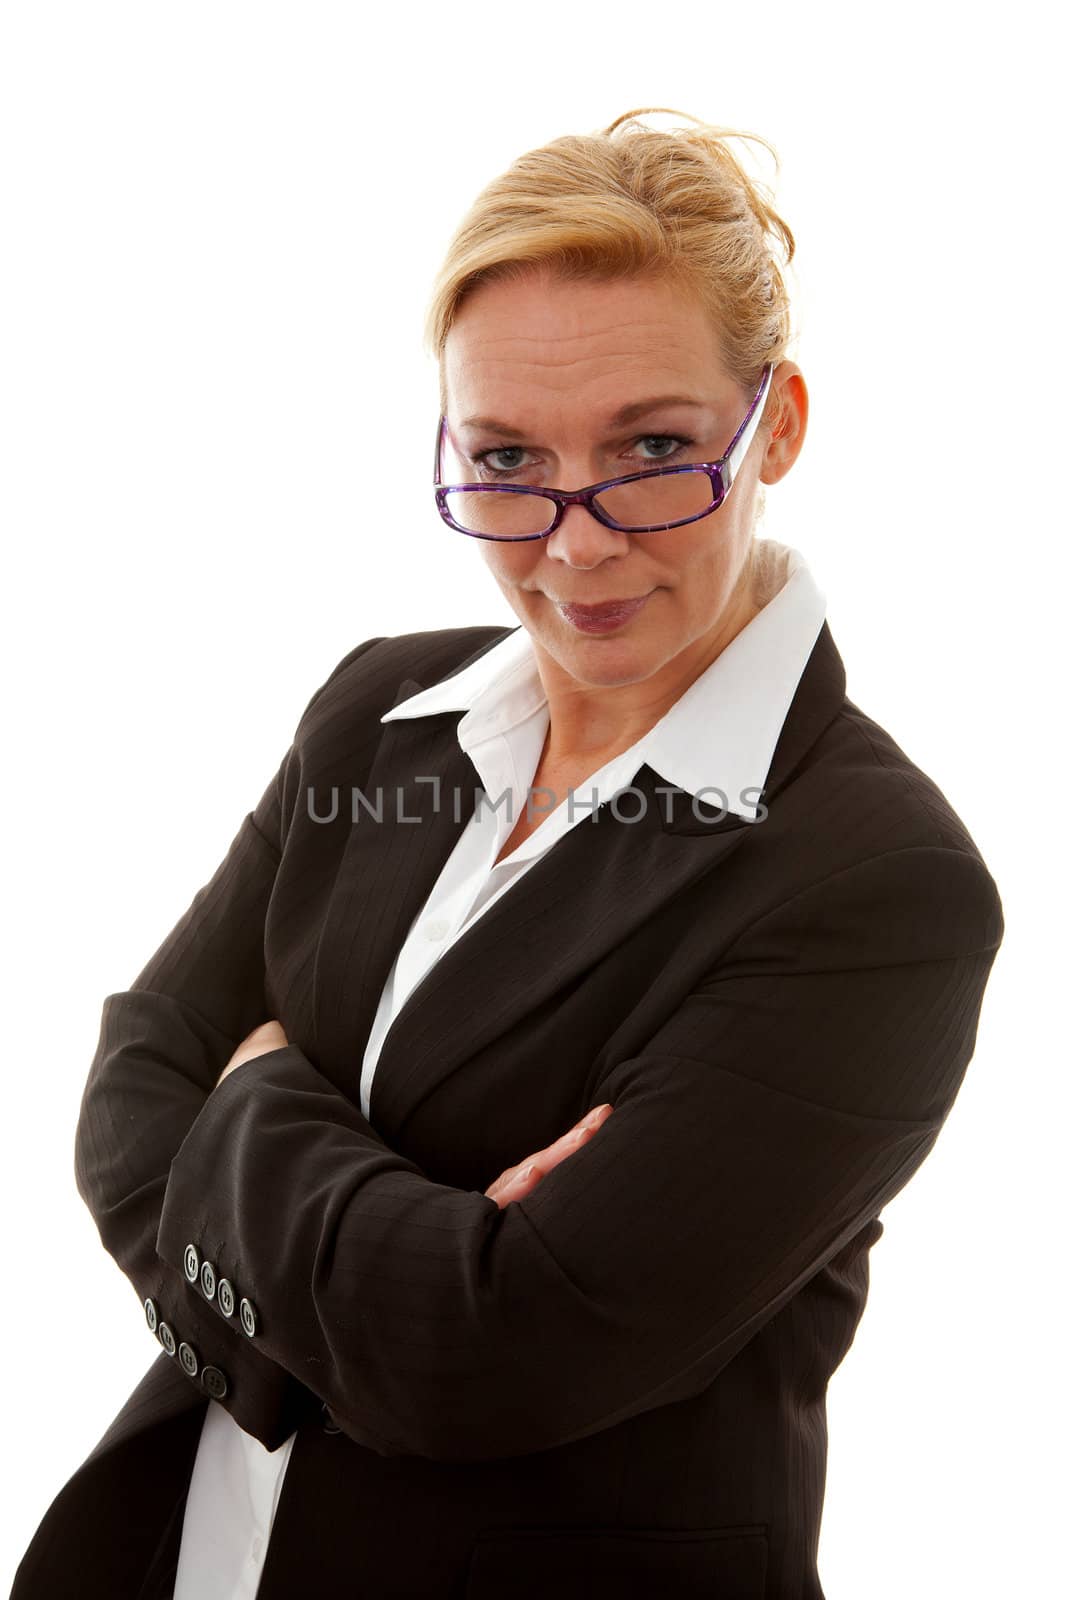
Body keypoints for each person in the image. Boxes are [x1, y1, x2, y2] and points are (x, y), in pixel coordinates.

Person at [13, 106, 1004, 1600]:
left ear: (777, 427)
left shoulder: (872, 884)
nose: (575, 541)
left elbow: (489, 1358)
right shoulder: (380, 717)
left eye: (654, 451)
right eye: (507, 459)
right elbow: (131, 1081)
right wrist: (381, 1245)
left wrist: (258, 1089)